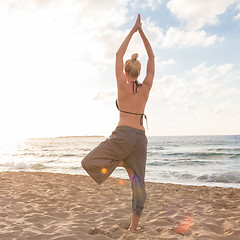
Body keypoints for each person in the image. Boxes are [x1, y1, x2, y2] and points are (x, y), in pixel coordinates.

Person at [81, 14, 155, 231]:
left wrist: (132, 31)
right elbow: (151, 56)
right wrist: (142, 33)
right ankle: (133, 227)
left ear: (125, 72)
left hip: (123, 135)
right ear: (139, 72)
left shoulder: (121, 86)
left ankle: (120, 163)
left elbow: (118, 53)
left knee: (89, 161)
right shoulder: (147, 87)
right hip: (140, 138)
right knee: (139, 183)